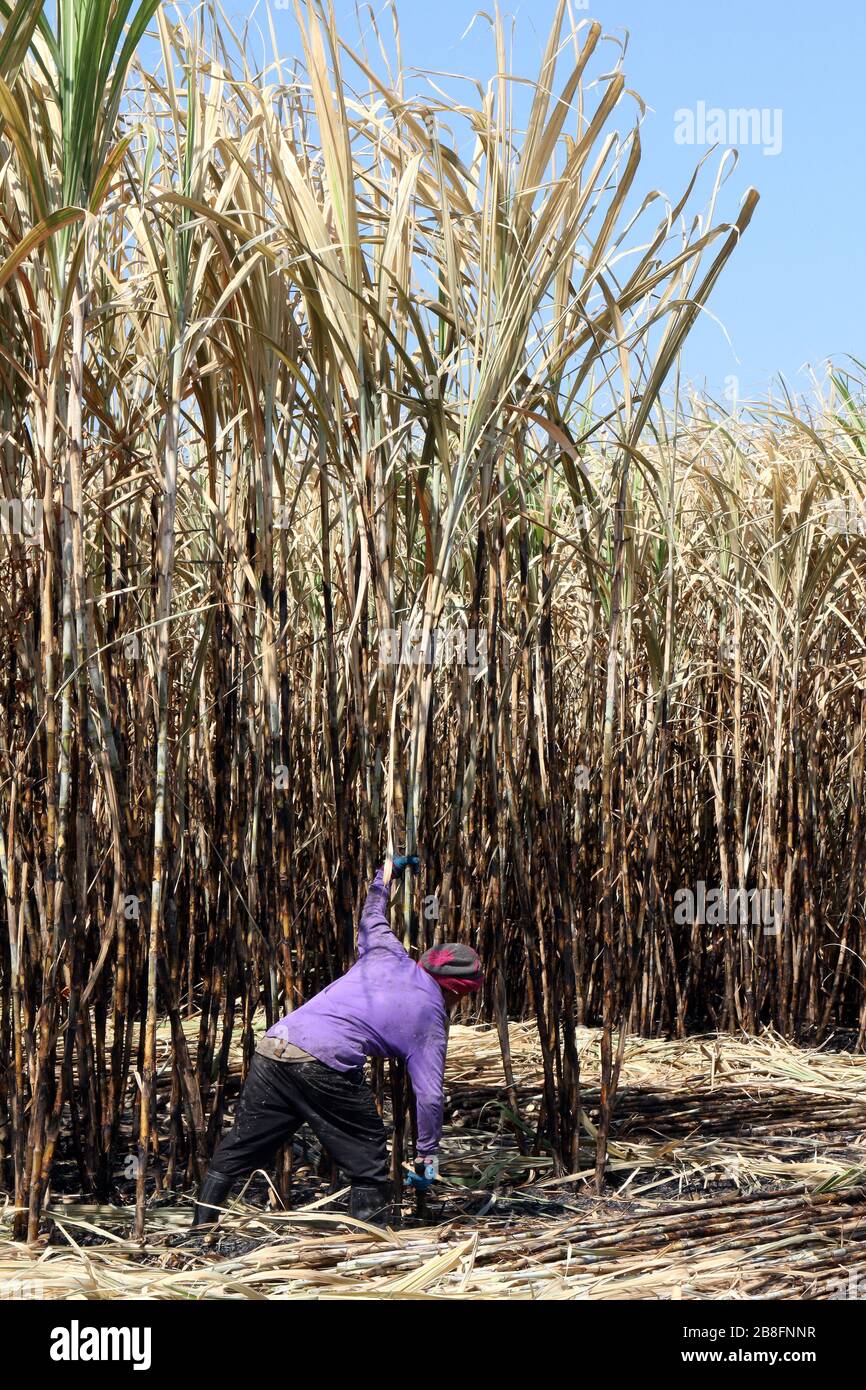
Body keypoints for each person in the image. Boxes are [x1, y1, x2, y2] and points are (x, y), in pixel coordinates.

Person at [191, 855, 483, 1228]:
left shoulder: (386, 952)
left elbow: (372, 914)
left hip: (275, 1045)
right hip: (321, 1063)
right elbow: (429, 1096)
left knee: (243, 1145)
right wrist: (428, 1157)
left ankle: (199, 1230)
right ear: (457, 992)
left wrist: (386, 873)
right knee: (368, 1152)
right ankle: (372, 1239)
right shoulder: (430, 1020)